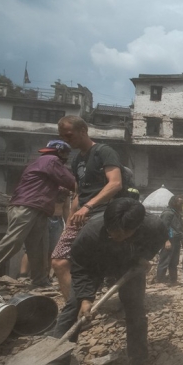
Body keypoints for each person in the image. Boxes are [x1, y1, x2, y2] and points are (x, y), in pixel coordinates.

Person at [49, 198, 167, 365]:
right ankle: (56, 363)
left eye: (120, 234)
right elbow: (81, 268)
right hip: (94, 266)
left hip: (129, 264)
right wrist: (85, 297)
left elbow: (158, 240)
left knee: (135, 308)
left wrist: (144, 257)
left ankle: (138, 360)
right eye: (111, 232)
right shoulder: (90, 234)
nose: (113, 236)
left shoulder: (154, 226)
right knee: (73, 307)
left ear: (136, 228)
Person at [51, 116, 123, 300]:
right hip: (80, 215)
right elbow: (78, 194)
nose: (66, 140)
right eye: (62, 136)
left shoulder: (103, 151)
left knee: (101, 263)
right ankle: (74, 308)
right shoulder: (76, 160)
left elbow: (115, 184)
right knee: (59, 262)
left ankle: (119, 299)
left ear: (83, 131)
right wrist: (69, 222)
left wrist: (89, 207)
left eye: (69, 135)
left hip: (101, 213)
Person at [0, 140, 75, 287]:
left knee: (39, 246)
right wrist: (86, 186)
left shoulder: (42, 162)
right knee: (14, 241)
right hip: (26, 206)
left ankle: (40, 280)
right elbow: (70, 181)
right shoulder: (51, 160)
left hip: (38, 208)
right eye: (66, 153)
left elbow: (50, 186)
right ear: (60, 151)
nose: (67, 157)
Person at [155, 194, 183, 285]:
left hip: (176, 239)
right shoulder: (168, 213)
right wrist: (166, 240)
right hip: (169, 240)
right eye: (179, 202)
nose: (181, 203)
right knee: (165, 260)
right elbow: (163, 227)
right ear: (173, 202)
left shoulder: (176, 213)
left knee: (174, 261)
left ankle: (173, 280)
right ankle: (160, 280)